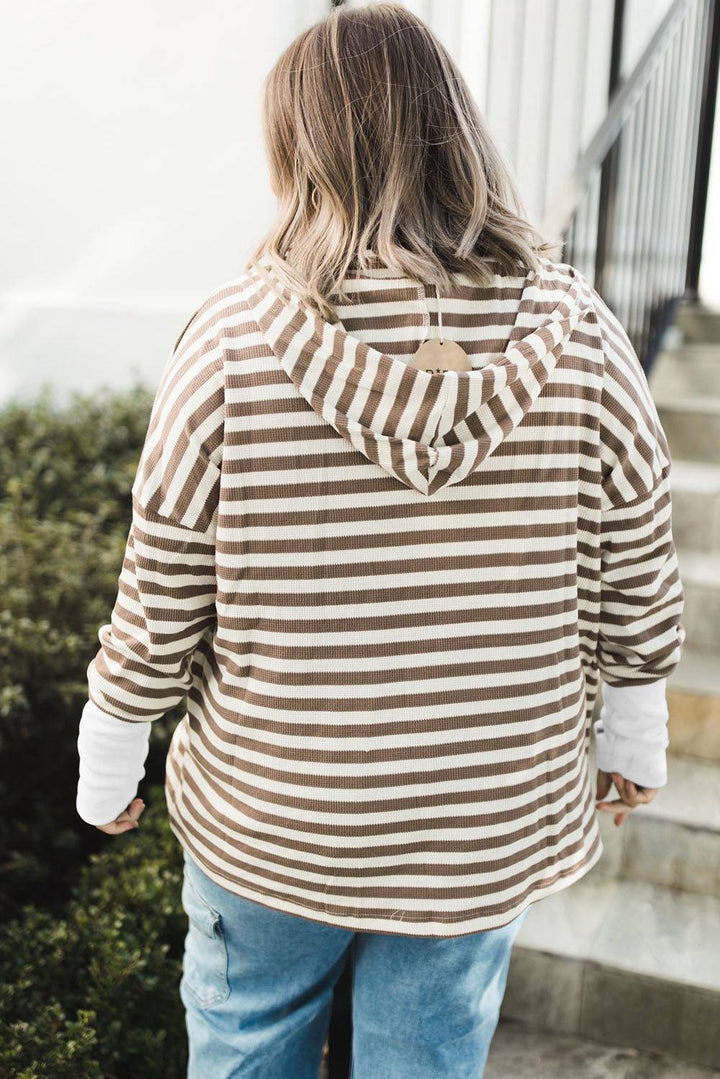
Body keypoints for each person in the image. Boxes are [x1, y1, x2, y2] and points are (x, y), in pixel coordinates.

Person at [75, 3, 686, 1077]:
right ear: (460, 136)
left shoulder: (231, 340)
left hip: (274, 814)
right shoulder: (582, 334)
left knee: (245, 1041)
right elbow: (638, 547)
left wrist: (112, 745)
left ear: (296, 151)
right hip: (479, 817)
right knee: (426, 1059)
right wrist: (633, 725)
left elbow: (163, 575)